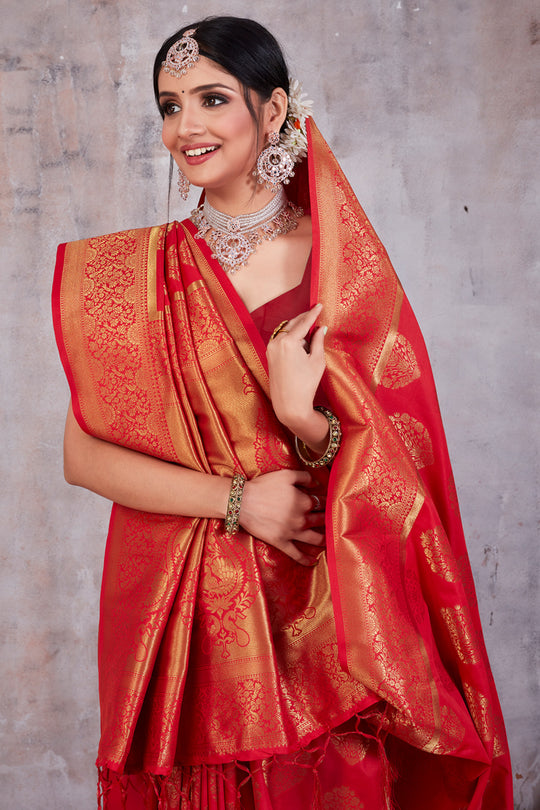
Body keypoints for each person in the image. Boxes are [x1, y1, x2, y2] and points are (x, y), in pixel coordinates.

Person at [52, 16, 513, 810]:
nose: (185, 126)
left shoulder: (337, 260)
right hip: (185, 621)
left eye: (211, 98)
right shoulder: (132, 279)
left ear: (273, 114)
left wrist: (304, 420)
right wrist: (240, 501)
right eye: (170, 105)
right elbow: (84, 458)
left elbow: (401, 469)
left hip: (322, 615)